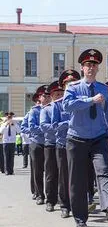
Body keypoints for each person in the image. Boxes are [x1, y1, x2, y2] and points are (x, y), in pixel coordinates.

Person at [63, 49, 108, 227]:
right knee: (78, 179)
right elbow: (67, 106)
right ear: (82, 68)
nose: (91, 68)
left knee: (104, 170)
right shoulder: (73, 88)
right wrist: (90, 100)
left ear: (98, 68)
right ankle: (80, 217)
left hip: (98, 137)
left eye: (94, 65)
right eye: (88, 65)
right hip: (76, 138)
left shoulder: (103, 89)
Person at [52, 69, 81, 218]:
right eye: (68, 84)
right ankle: (65, 205)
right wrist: (69, 123)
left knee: (79, 176)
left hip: (80, 143)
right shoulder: (57, 105)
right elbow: (54, 125)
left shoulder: (82, 102)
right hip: (63, 144)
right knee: (64, 176)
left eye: (73, 83)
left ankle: (81, 204)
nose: (71, 85)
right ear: (63, 87)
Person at [40, 81, 64, 212]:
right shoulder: (47, 109)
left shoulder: (66, 107)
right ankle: (50, 200)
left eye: (61, 93)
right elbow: (44, 126)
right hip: (51, 144)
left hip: (63, 145)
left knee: (63, 174)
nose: (60, 95)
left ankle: (63, 200)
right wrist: (62, 127)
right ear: (52, 96)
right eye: (57, 94)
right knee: (50, 174)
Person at [28, 85, 51, 205]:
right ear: (39, 97)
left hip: (50, 144)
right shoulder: (34, 111)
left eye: (48, 96)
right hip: (37, 143)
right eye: (44, 96)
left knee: (50, 172)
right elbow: (32, 127)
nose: (46, 98)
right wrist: (47, 129)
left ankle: (51, 194)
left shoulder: (53, 109)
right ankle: (39, 195)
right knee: (37, 171)